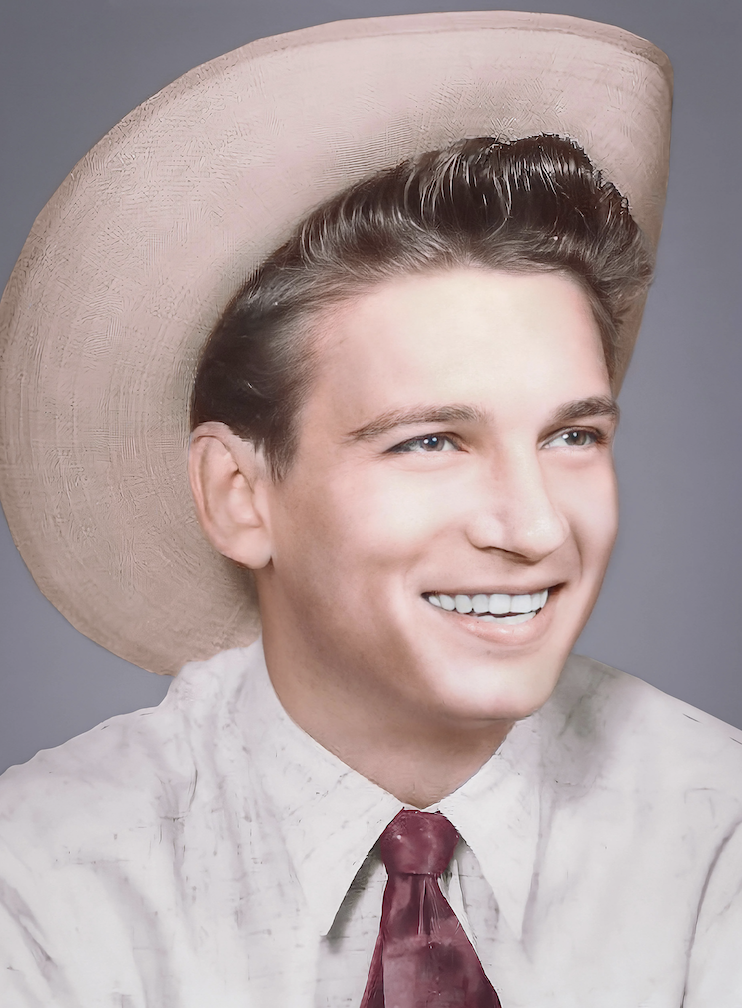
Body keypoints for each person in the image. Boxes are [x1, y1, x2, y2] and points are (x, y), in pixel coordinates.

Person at [0, 11, 739, 1008]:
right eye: (431, 441)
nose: (534, 530)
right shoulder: (44, 883)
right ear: (240, 495)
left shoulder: (716, 836)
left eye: (571, 436)